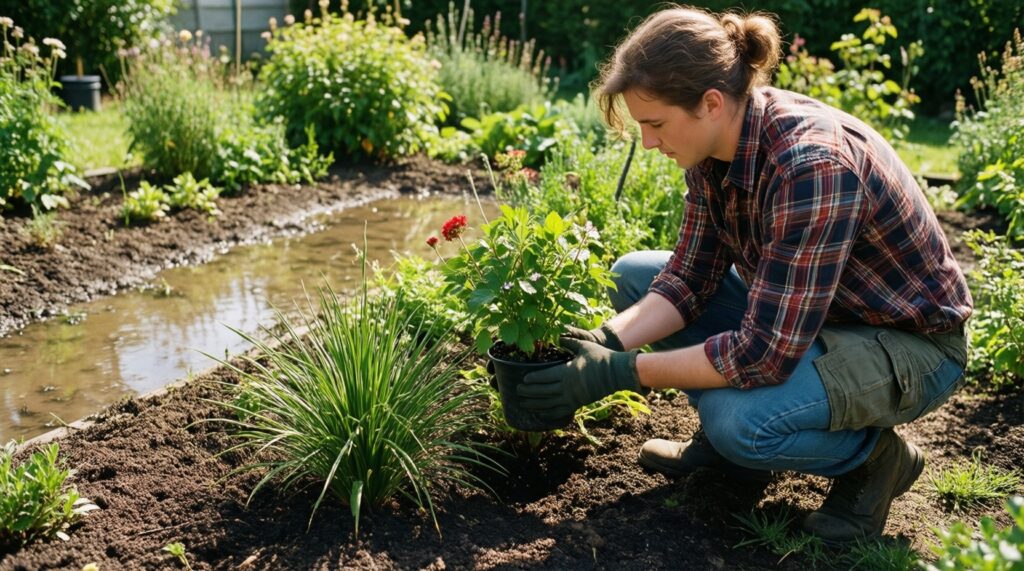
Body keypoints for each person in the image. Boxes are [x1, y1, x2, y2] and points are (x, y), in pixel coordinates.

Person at [516, 5, 971, 543]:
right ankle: (733, 458)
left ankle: (876, 460)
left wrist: (619, 372)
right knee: (634, 276)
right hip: (814, 320)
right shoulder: (717, 147)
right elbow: (689, 277)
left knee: (737, 421)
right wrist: (605, 341)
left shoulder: (811, 167)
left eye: (655, 124)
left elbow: (763, 354)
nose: (649, 142)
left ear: (711, 103)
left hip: (909, 346)